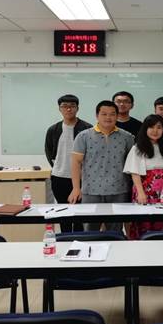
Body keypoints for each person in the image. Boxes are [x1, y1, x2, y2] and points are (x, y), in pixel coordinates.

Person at [69, 100, 135, 232]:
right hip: (90, 192)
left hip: (119, 191)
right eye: (104, 114)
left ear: (117, 116)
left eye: (112, 114)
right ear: (97, 116)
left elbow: (133, 164)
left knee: (115, 231)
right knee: (90, 231)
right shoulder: (83, 136)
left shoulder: (127, 137)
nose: (108, 117)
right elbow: (76, 162)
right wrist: (76, 188)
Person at [123, 114, 163, 239]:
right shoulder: (137, 148)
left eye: (159, 127)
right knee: (144, 222)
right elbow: (135, 173)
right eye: (151, 127)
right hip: (144, 190)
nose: (155, 131)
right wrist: (140, 193)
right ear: (145, 129)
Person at [44, 94, 92, 232]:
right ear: (59, 109)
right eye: (64, 106)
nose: (68, 109)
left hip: (82, 178)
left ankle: (78, 239)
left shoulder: (87, 128)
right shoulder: (53, 130)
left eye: (72, 106)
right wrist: (58, 167)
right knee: (63, 212)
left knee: (79, 214)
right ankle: (64, 239)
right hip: (59, 177)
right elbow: (49, 152)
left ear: (77, 108)